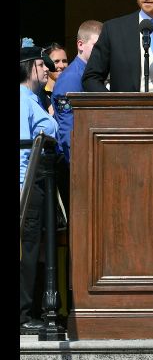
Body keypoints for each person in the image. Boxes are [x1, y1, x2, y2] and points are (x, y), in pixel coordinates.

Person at [19, 38, 58, 335]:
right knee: (27, 249)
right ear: (30, 67)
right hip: (27, 185)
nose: (49, 69)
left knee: (34, 247)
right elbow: (22, 149)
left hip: (36, 184)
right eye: (43, 64)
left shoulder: (34, 99)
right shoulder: (21, 99)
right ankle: (22, 313)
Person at [52, 20, 102, 163]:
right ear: (80, 44)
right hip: (76, 159)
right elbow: (69, 128)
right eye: (96, 46)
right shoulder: (71, 78)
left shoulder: (91, 73)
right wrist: (78, 166)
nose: (102, 51)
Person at [42, 42, 69, 115]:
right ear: (45, 64)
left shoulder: (71, 90)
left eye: (64, 61)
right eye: (56, 61)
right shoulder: (40, 94)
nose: (62, 65)